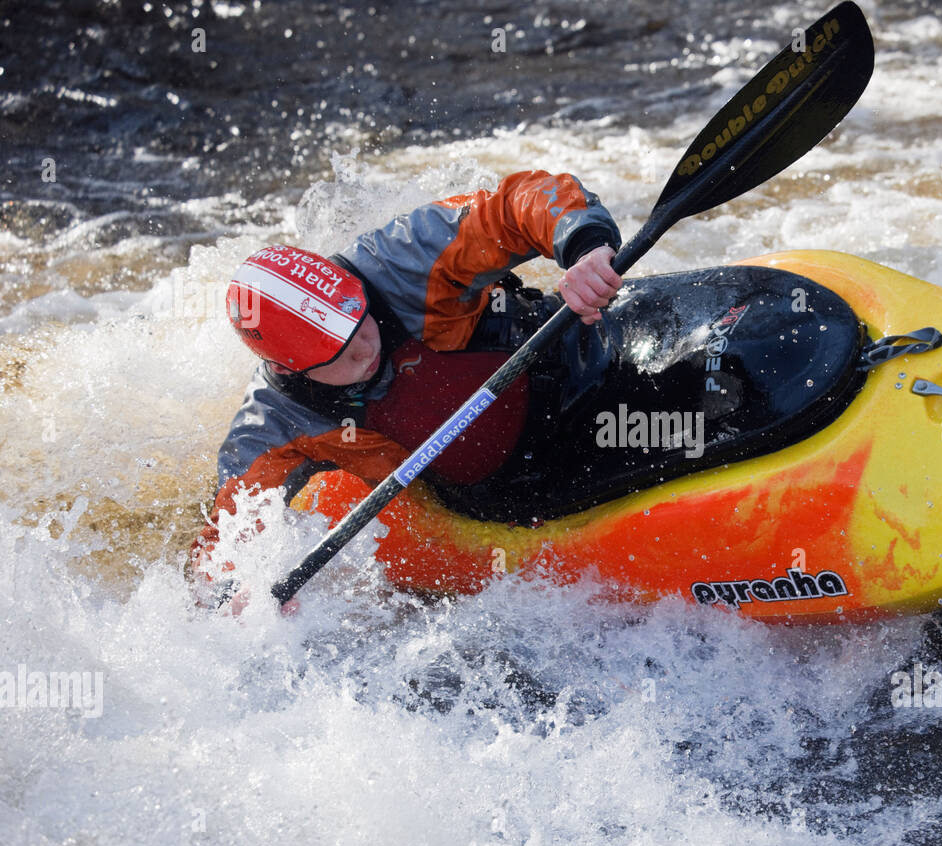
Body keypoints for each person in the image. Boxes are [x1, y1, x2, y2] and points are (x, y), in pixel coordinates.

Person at [191, 170, 623, 613]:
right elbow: (222, 540)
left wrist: (585, 247)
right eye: (339, 351)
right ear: (288, 367)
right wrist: (239, 592)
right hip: (517, 490)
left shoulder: (397, 259)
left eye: (359, 319)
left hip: (586, 349)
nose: (365, 347)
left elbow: (516, 203)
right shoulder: (273, 423)